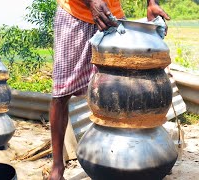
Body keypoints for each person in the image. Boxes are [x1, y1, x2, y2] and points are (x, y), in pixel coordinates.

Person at [49, 0, 170, 179]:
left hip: (112, 18)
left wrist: (152, 3)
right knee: (61, 93)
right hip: (75, 14)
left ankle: (125, 154)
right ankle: (57, 166)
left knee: (123, 85)